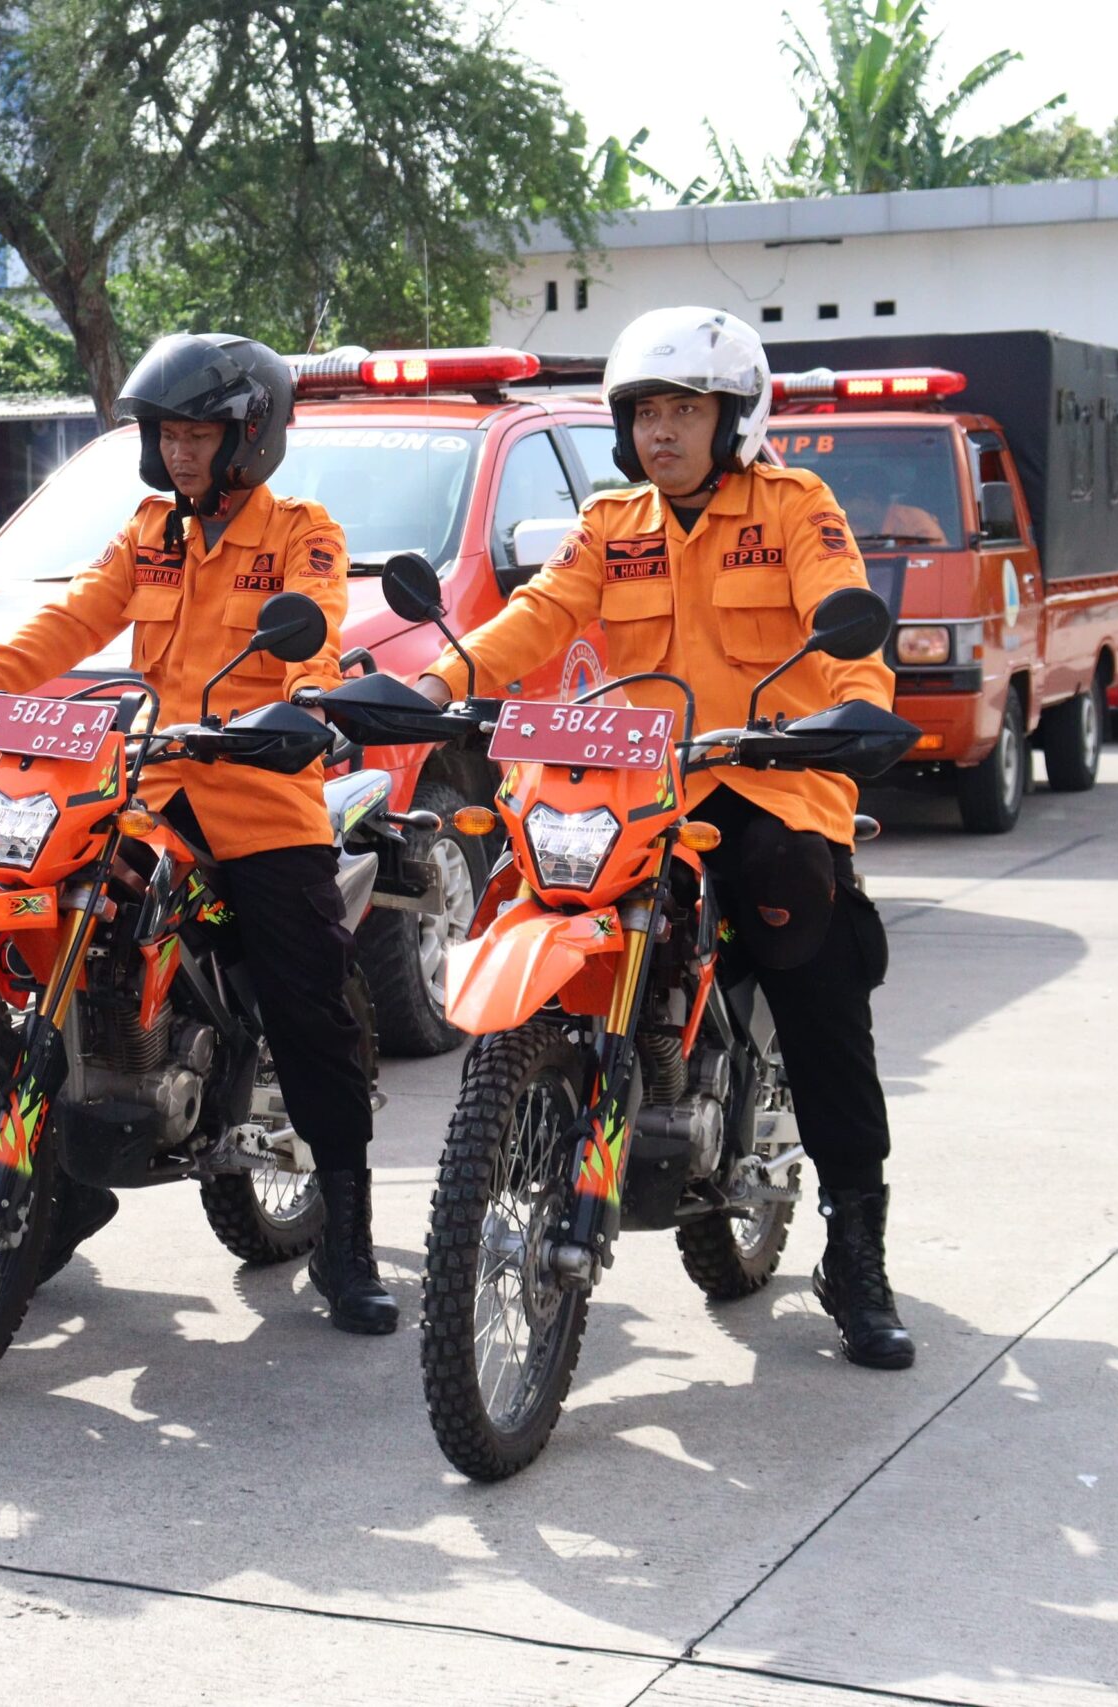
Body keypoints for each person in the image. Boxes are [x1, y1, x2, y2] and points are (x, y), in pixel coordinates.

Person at [410, 305, 912, 1370]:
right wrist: (432, 683)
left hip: (766, 787)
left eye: (686, 411)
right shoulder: (612, 522)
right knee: (530, 892)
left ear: (735, 416)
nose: (663, 433)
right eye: (645, 413)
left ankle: (855, 1250)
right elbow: (539, 616)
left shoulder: (792, 505)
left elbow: (843, 605)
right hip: (637, 788)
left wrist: (855, 705)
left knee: (820, 996)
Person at [0, 331, 397, 1336]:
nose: (181, 454)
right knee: (64, 935)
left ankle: (348, 1234)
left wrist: (305, 696)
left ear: (250, 436)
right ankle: (68, 1171)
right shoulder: (146, 530)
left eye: (200, 434)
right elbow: (69, 623)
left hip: (259, 792)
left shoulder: (300, 529)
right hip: (145, 786)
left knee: (308, 1003)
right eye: (167, 435)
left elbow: (316, 621)